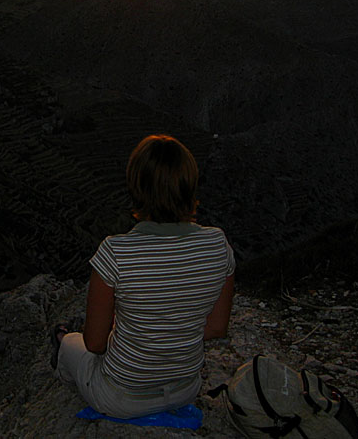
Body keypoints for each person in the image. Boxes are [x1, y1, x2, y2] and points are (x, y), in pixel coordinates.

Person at [52, 134, 235, 419]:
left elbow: (96, 344)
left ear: (137, 187)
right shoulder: (217, 244)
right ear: (189, 186)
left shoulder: (115, 252)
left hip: (121, 399)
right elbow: (216, 328)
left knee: (70, 345)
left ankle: (59, 394)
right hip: (185, 390)